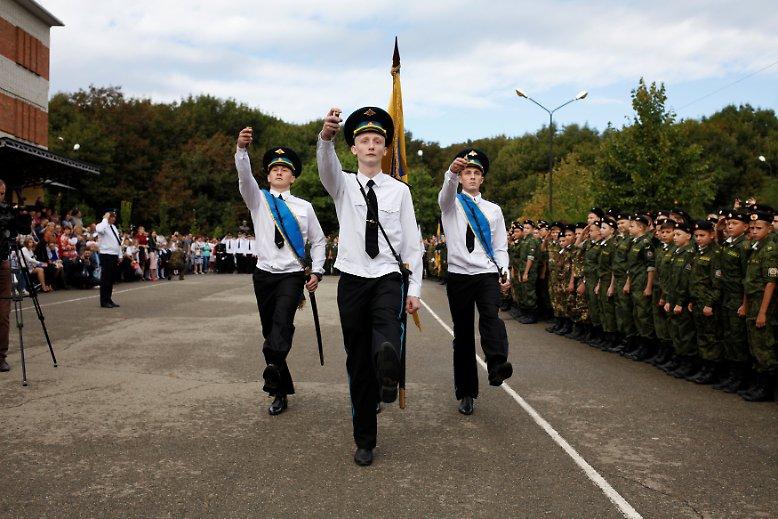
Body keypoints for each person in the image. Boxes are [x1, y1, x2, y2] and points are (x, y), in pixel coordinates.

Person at [317, 106, 422, 466]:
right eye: (364, 140)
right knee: (358, 360)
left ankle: (388, 368)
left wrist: (416, 290)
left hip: (388, 277)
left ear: (385, 149)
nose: (372, 145)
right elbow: (325, 168)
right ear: (354, 149)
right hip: (352, 278)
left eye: (378, 140)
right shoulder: (343, 185)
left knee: (387, 333)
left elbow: (412, 245)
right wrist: (326, 136)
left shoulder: (400, 192)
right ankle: (365, 437)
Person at [236, 128, 326, 416]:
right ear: (267, 175)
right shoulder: (257, 199)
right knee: (270, 332)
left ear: (293, 176)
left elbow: (320, 240)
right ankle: (280, 386)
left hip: (290, 274)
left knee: (281, 324)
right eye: (274, 168)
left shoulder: (304, 207)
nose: (278, 172)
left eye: (284, 169)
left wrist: (318, 271)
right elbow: (244, 178)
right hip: (263, 274)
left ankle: (273, 378)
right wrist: (241, 150)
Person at [438, 148, 512, 416]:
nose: (471, 176)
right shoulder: (451, 204)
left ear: (482, 179)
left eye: (476, 173)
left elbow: (500, 245)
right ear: (460, 177)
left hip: (486, 273)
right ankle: (466, 392)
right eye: (467, 172)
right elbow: (445, 195)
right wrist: (451, 173)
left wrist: (505, 271)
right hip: (459, 275)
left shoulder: (494, 210)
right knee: (464, 335)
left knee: (491, 318)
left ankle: (496, 366)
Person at [739, 208, 777, 401]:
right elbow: (749, 281)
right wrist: (745, 304)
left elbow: (770, 283)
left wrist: (762, 312)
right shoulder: (757, 248)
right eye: (752, 227)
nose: (754, 231)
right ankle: (758, 384)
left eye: (758, 228)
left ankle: (766, 389)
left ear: (769, 229)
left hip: (764, 306)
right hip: (752, 303)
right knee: (755, 344)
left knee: (764, 346)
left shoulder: (771, 250)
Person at [96, 210, 122, 308]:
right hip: (106, 254)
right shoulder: (102, 225)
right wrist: (105, 219)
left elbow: (117, 241)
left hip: (113, 254)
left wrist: (119, 255)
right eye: (111, 217)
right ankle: (104, 301)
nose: (114, 219)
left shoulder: (114, 227)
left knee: (111, 279)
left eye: (114, 217)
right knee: (105, 278)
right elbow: (100, 230)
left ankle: (109, 299)